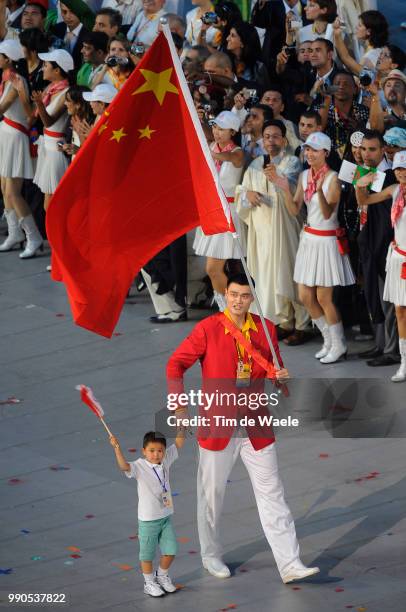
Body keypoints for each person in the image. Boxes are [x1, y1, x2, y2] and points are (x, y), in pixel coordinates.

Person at [167, 272, 320, 583]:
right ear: (225, 294)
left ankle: (289, 563)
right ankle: (210, 556)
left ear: (253, 297)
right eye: (233, 294)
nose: (238, 301)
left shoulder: (266, 329)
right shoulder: (208, 329)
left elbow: (276, 375)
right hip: (218, 426)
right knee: (211, 498)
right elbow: (175, 364)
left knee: (273, 494)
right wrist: (179, 405)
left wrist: (282, 380)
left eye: (244, 296)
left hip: (255, 427)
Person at [278, 132, 355, 363]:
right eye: (307, 149)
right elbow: (294, 210)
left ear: (326, 153)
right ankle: (328, 340)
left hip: (326, 241)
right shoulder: (303, 175)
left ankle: (339, 344)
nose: (309, 154)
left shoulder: (333, 178)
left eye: (314, 150)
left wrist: (319, 190)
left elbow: (327, 213)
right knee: (304, 295)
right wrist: (283, 187)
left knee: (324, 297)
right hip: (309, 239)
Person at [236, 119, 310, 343]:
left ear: (284, 139)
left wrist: (276, 176)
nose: (270, 141)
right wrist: (247, 195)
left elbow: (292, 190)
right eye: (267, 137)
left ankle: (303, 325)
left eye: (275, 136)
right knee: (271, 277)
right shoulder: (255, 164)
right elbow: (243, 191)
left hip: (286, 229)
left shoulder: (292, 163)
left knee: (290, 274)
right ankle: (285, 322)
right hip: (263, 232)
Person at [110, 429, 185, 597]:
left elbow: (179, 443)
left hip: (165, 517)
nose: (156, 454)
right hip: (148, 520)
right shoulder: (139, 466)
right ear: (144, 451)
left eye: (160, 450)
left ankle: (162, 576)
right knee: (147, 555)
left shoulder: (165, 460)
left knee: (171, 550)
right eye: (151, 451)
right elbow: (124, 466)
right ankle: (149, 583)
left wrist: (182, 427)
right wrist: (116, 448)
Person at [355, 150, 406, 382]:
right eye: (398, 168)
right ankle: (404, 363)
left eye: (405, 168)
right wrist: (360, 184)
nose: (402, 172)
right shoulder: (394, 190)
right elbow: (364, 200)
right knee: (399, 310)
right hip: (397, 257)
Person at [193, 110, 244, 311]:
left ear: (232, 131)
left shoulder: (238, 151)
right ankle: (226, 308)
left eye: (222, 129)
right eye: (214, 127)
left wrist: (209, 153)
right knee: (215, 269)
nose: (217, 132)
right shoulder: (212, 146)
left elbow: (231, 158)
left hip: (228, 212)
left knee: (213, 268)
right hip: (212, 209)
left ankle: (228, 309)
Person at [0, 39, 43, 259]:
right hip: (6, 133)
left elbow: (2, 107)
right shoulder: (7, 78)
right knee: (4, 187)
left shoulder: (16, 81)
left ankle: (33, 237)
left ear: (8, 59)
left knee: (13, 192)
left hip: (15, 136)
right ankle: (15, 233)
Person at [32, 48, 73, 211]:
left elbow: (48, 122)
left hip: (56, 150)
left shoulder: (66, 92)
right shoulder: (50, 88)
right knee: (47, 200)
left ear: (57, 70)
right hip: (47, 147)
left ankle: (56, 236)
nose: (43, 68)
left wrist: (40, 104)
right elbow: (35, 117)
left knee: (53, 202)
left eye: (46, 65)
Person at [313, 70, 369, 158]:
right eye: (337, 84)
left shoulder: (365, 112)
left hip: (355, 160)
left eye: (346, 84)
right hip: (326, 159)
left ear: (355, 89)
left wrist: (359, 130)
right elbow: (316, 132)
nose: (341, 87)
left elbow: (372, 138)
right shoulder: (321, 109)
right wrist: (327, 101)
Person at [333, 10, 388, 75]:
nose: (356, 27)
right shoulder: (382, 48)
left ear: (368, 31)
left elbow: (345, 58)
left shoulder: (368, 58)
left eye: (360, 25)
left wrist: (336, 33)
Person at [225, 21, 271, 93]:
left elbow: (262, 92)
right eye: (229, 34)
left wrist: (235, 79)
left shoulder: (258, 67)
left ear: (242, 43)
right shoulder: (225, 60)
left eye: (232, 35)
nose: (227, 38)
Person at [51, 0, 95, 70]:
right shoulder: (56, 29)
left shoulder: (90, 33)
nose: (68, 16)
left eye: (72, 11)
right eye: (64, 12)